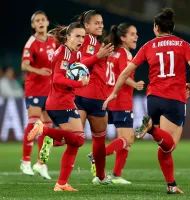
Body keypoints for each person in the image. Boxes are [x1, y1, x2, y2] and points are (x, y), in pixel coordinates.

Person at [103, 8, 190, 194]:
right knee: (169, 146)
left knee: (163, 147)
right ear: (172, 27)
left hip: (153, 99)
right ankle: (152, 129)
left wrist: (113, 93)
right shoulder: (183, 44)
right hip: (175, 99)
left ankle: (171, 185)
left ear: (156, 28)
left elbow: (124, 73)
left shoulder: (148, 46)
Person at [27, 22, 90, 191]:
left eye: (83, 37)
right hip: (59, 103)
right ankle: (45, 131)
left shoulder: (73, 54)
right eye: (77, 36)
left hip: (64, 102)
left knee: (74, 143)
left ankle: (61, 183)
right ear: (68, 36)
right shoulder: (63, 53)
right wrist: (78, 83)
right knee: (78, 139)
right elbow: (57, 79)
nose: (81, 40)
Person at [100, 23, 144, 184]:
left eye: (136, 33)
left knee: (123, 141)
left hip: (110, 98)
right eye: (132, 34)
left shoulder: (113, 53)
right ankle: (99, 155)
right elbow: (123, 75)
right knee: (130, 138)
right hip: (121, 99)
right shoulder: (125, 53)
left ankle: (116, 176)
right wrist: (136, 84)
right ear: (123, 38)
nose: (136, 37)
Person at [75, 10, 114, 184]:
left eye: (101, 22)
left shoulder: (83, 40)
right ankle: (101, 176)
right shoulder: (90, 41)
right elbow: (80, 63)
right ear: (87, 26)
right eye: (96, 23)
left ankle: (47, 133)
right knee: (99, 139)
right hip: (95, 95)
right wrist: (99, 56)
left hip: (79, 94)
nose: (101, 25)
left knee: (74, 137)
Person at [20, 10, 58, 179]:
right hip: (34, 88)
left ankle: (41, 164)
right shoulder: (31, 43)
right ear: (33, 25)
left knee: (47, 128)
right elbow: (24, 65)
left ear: (47, 22)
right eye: (37, 21)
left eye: (43, 19)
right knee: (35, 123)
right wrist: (39, 71)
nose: (41, 22)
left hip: (49, 89)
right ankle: (25, 161)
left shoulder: (52, 41)